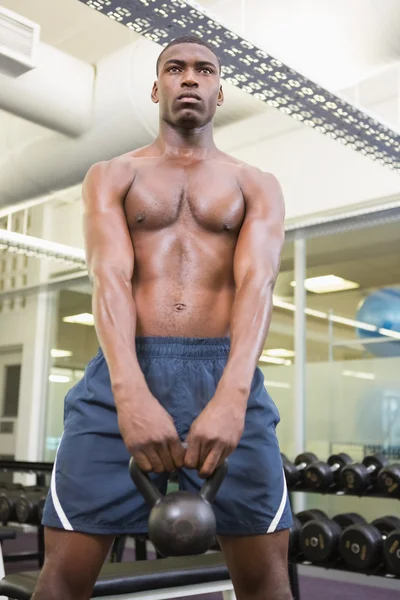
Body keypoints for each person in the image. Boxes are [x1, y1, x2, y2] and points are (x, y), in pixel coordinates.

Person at [34, 35, 293, 600]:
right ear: (158, 88)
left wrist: (232, 396)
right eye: (176, 69)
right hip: (124, 369)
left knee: (266, 584)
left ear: (220, 91)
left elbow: (258, 284)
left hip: (227, 373)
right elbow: (109, 279)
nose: (190, 78)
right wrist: (129, 394)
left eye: (204, 70)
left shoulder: (257, 184)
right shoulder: (113, 174)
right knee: (61, 581)